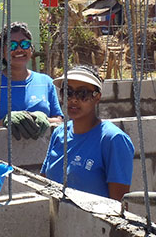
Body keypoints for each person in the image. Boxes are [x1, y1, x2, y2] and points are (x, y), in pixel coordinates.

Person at [40, 65, 134, 200]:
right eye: (68, 92)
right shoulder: (60, 133)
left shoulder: (113, 139)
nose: (73, 100)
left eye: (83, 94)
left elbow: (118, 205)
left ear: (97, 97)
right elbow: (44, 182)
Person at [0, 22, 63, 139]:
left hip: (42, 152)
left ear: (31, 49)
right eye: (12, 45)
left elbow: (59, 121)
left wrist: (44, 119)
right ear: (1, 52)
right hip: (0, 152)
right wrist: (4, 122)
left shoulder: (46, 82)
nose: (19, 49)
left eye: (24, 44)